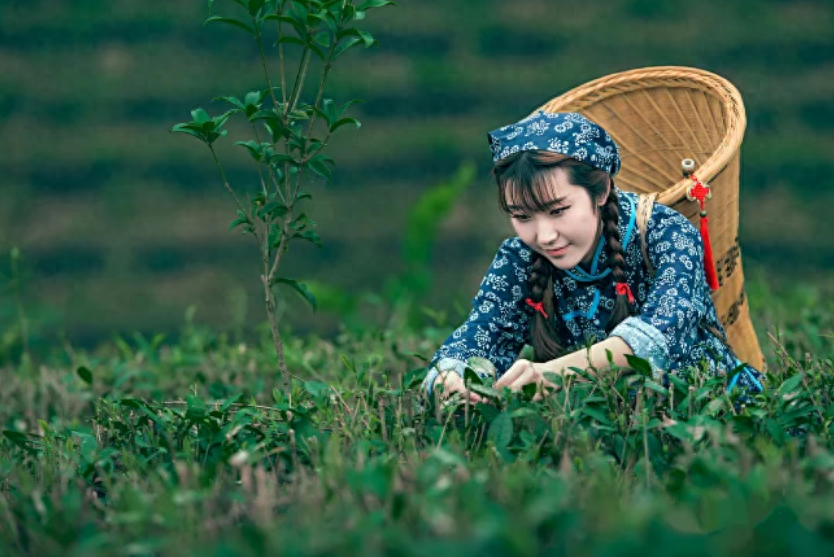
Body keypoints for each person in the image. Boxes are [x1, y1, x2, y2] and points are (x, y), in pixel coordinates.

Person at [422, 111, 764, 403]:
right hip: (606, 433)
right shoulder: (519, 259)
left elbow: (660, 334)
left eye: (558, 211)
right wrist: (450, 379)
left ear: (600, 191)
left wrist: (554, 373)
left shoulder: (666, 232)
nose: (544, 236)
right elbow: (477, 337)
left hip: (716, 415)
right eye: (522, 217)